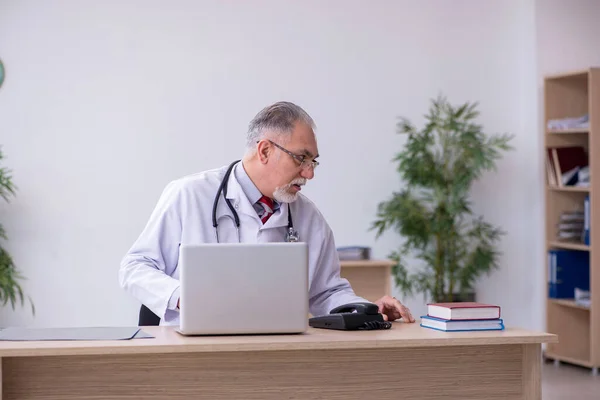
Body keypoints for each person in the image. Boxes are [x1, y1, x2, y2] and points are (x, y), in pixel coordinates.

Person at [119, 101, 415, 326]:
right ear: (264, 151)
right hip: (192, 350)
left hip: (276, 352)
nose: (309, 173)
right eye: (301, 158)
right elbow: (134, 267)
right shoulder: (189, 195)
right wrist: (182, 296)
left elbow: (326, 293)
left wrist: (365, 310)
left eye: (313, 161)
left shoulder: (308, 217)